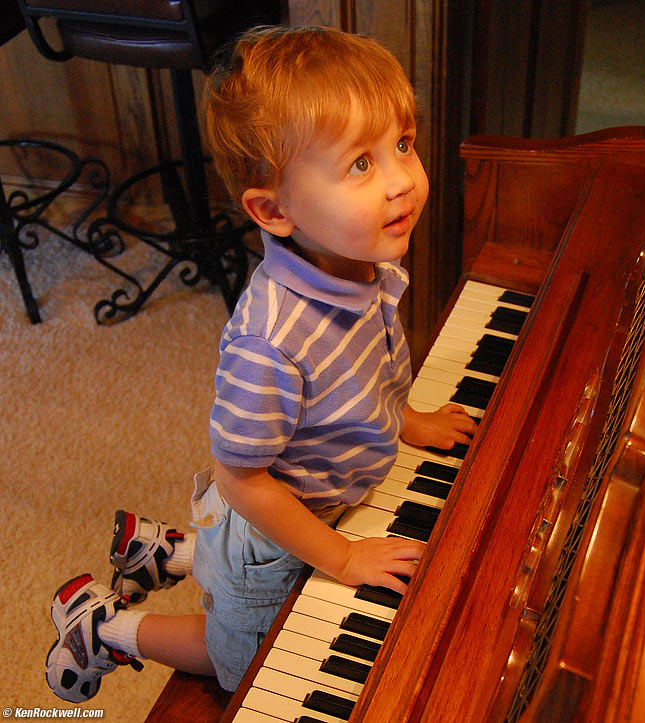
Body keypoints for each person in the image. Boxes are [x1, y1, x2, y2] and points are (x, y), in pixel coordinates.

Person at [45, 25, 477, 703]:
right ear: (274, 210)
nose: (402, 181)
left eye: (402, 143)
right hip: (271, 541)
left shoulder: (361, 257)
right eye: (360, 164)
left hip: (317, 497)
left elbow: (369, 369)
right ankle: (104, 625)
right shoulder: (271, 342)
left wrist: (408, 420)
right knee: (236, 663)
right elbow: (242, 480)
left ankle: (169, 553)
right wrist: (340, 557)